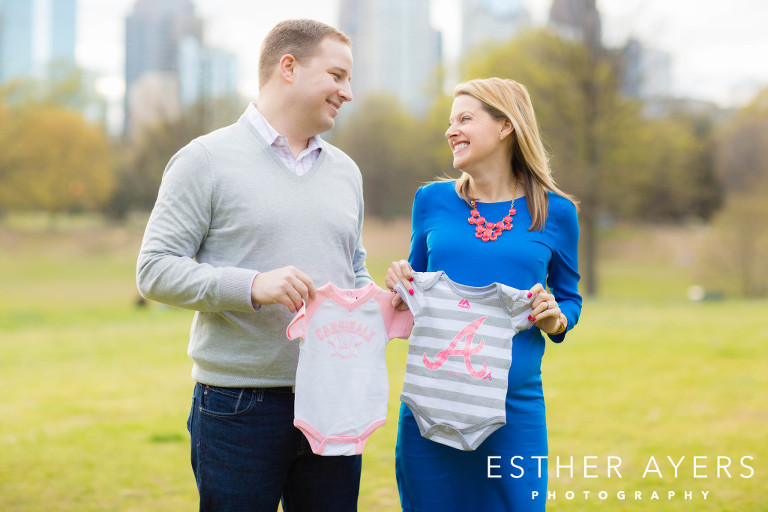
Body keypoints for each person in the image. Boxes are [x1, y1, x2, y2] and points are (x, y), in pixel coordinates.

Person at [136, 19, 371, 512]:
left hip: (334, 399)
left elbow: (353, 267)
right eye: (337, 75)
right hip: (239, 407)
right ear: (289, 67)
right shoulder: (204, 160)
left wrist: (381, 300)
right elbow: (154, 269)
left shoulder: (347, 172)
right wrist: (252, 285)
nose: (347, 92)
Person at [385, 77, 582, 511]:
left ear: (505, 126)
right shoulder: (431, 200)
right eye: (449, 121)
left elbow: (570, 296)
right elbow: (416, 289)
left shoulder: (556, 211)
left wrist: (557, 317)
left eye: (465, 119)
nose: (450, 130)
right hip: (430, 408)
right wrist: (400, 280)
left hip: (514, 412)